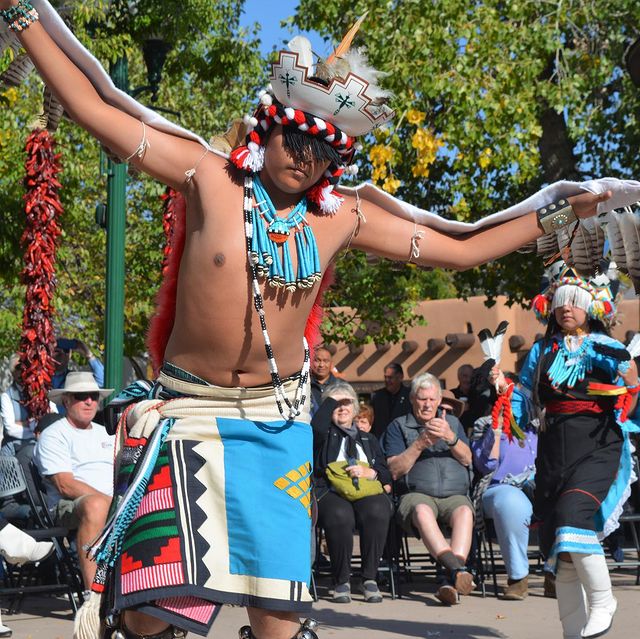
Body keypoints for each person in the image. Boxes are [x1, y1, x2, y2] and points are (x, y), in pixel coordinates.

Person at [0, 2, 622, 637]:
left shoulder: (341, 217)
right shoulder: (207, 177)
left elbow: (459, 248)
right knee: (151, 618)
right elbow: (93, 106)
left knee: (278, 619)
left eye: (321, 150)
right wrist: (20, 14)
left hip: (276, 428)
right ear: (266, 129)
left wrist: (555, 214)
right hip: (186, 418)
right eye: (292, 140)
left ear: (336, 159)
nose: (303, 158)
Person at [491, 266, 639, 638]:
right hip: (554, 452)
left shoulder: (608, 347)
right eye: (559, 302)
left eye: (574, 302)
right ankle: (573, 632)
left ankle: (604, 601)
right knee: (564, 550)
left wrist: (630, 376)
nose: (566, 309)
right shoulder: (542, 350)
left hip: (599, 444)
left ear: (591, 306)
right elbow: (524, 402)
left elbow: (630, 390)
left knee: (574, 516)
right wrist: (506, 395)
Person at [382, 374, 475, 605]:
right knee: (422, 510)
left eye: (432, 399)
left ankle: (447, 580)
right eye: (422, 399)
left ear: (438, 400)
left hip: (455, 495)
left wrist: (450, 438)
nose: (427, 404)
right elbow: (394, 469)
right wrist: (420, 443)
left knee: (465, 512)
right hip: (416, 495)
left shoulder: (452, 423)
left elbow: (467, 459)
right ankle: (457, 570)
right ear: (413, 399)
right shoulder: (399, 426)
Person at [311, 381, 392, 604]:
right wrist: (330, 402)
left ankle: (369, 578)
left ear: (356, 409)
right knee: (340, 514)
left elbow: (386, 474)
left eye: (347, 403)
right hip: (329, 491)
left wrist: (371, 472)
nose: (342, 407)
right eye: (336, 403)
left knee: (377, 509)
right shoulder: (322, 435)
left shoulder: (368, 439)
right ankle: (341, 580)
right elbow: (316, 427)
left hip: (365, 490)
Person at [33, 372, 115, 590]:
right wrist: (109, 502)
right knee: (95, 505)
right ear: (66, 400)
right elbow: (65, 485)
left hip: (111, 501)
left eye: (93, 396)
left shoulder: (107, 434)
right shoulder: (54, 434)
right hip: (68, 505)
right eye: (81, 396)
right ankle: (93, 596)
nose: (89, 401)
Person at [469, 363, 538, 600]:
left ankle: (553, 572)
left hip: (536, 484)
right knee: (511, 502)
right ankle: (518, 578)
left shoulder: (537, 424)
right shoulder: (484, 424)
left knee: (564, 496)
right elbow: (485, 465)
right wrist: (497, 428)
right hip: (499, 487)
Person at [370, 364, 411, 438]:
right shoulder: (377, 396)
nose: (387, 380)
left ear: (400, 377)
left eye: (390, 377)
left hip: (402, 439)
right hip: (381, 441)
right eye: (385, 377)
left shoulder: (410, 396)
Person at [310, 346, 338, 415]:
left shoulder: (340, 386)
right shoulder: (304, 386)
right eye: (317, 360)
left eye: (325, 361)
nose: (321, 365)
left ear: (331, 363)